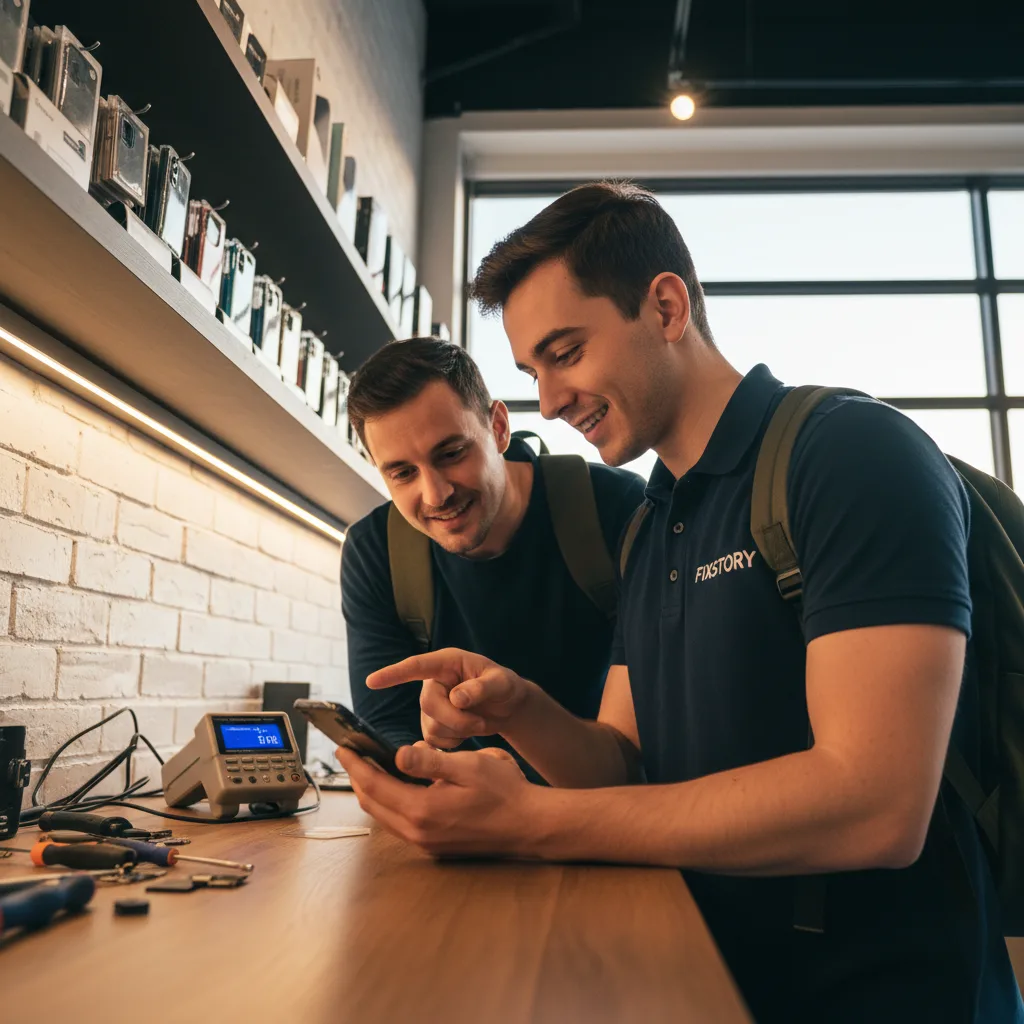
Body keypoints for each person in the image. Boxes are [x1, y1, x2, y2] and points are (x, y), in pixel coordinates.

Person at [336, 182, 1024, 1022]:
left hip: (882, 992)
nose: (550, 400)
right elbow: (621, 763)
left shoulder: (850, 455)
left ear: (665, 306)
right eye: (533, 371)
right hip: (704, 977)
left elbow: (877, 805)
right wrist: (519, 708)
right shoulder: (653, 520)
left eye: (566, 352)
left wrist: (530, 822)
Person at [340, 337, 646, 770]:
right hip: (464, 812)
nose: (436, 494)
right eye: (403, 473)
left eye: (451, 453)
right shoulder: (374, 552)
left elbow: (640, 743)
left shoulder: (616, 509)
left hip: (603, 810)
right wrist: (427, 765)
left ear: (498, 427)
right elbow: (386, 725)